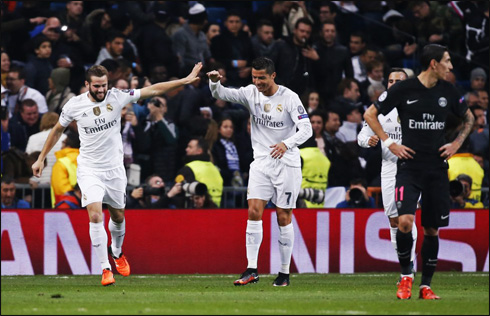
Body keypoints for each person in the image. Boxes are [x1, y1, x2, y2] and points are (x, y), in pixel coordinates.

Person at [32, 62, 202, 286]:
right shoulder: (74, 105)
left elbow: (154, 89)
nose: (101, 90)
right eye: (96, 86)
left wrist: (184, 80)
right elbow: (57, 130)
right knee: (95, 215)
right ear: (87, 85)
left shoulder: (118, 96)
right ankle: (105, 269)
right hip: (89, 169)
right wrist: (41, 157)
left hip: (114, 170)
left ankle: (117, 251)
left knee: (118, 216)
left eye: (104, 85)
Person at [364, 44, 474, 300]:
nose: (451, 65)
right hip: (409, 168)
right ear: (433, 64)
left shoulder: (449, 91)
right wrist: (389, 142)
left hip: (436, 169)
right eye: (447, 61)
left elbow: (469, 118)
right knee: (404, 221)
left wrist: (456, 144)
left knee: (432, 230)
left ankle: (426, 286)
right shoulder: (404, 89)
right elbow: (371, 114)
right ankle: (405, 277)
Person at [207, 56, 312, 286]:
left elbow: (307, 129)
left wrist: (287, 143)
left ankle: (284, 273)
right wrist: (215, 82)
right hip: (261, 163)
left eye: (262, 78)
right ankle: (251, 269)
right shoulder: (250, 93)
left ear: (273, 76)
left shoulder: (290, 98)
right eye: (254, 77)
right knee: (254, 211)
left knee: (283, 216)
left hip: (286, 164)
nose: (257, 82)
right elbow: (221, 94)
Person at [358, 68, 417, 280]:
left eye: (398, 81)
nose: (393, 84)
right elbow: (362, 136)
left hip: (412, 168)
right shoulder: (379, 109)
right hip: (389, 167)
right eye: (390, 81)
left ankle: (410, 265)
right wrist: (368, 141)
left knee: (407, 217)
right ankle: (404, 262)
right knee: (393, 219)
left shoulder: (418, 107)